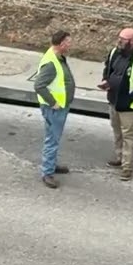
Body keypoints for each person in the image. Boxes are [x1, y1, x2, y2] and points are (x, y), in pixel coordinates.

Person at [96, 28, 133, 181]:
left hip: (129, 106)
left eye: (124, 39)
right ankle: (120, 157)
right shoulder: (115, 52)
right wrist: (106, 81)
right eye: (119, 37)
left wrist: (131, 99)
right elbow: (108, 68)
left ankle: (127, 167)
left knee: (128, 135)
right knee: (117, 132)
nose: (120, 41)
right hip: (113, 100)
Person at [33, 30, 76, 189]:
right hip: (55, 109)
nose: (70, 45)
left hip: (59, 106)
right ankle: (47, 173)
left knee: (53, 137)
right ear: (62, 44)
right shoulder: (51, 63)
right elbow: (39, 85)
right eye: (68, 42)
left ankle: (51, 165)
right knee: (52, 139)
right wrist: (53, 103)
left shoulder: (57, 57)